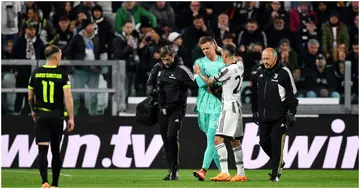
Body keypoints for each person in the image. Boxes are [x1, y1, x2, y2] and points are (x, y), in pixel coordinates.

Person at [193, 44, 247, 182]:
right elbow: (229, 55)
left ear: (224, 56)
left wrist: (199, 72)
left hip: (228, 107)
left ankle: (224, 172)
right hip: (238, 106)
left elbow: (210, 81)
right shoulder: (240, 65)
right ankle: (241, 173)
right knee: (235, 141)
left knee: (217, 139)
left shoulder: (227, 70)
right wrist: (220, 49)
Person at [146, 45, 198, 180]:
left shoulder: (182, 70)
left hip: (177, 109)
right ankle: (171, 170)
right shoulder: (157, 68)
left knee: (171, 137)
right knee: (166, 140)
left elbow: (196, 85)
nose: (166, 62)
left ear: (173, 56)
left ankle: (174, 171)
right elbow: (149, 84)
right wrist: (152, 91)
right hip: (161, 109)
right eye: (163, 59)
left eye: (168, 59)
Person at [27, 45, 75, 187]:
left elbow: (30, 97)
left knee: (42, 150)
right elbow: (68, 97)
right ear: (55, 56)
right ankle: (55, 184)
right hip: (57, 116)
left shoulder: (35, 73)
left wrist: (33, 110)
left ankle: (44, 182)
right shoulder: (62, 74)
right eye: (60, 54)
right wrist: (71, 117)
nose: (61, 57)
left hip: (41, 116)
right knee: (55, 151)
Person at [251, 48, 299, 182]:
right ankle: (279, 162)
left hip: (279, 117)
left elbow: (292, 94)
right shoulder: (259, 73)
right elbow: (255, 94)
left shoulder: (284, 73)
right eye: (263, 58)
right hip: (264, 117)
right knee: (263, 142)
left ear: (275, 59)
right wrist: (254, 110)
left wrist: (292, 112)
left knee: (276, 144)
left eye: (267, 59)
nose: (265, 61)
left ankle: (275, 174)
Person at [192, 36, 224, 181]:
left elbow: (222, 84)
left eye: (207, 48)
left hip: (218, 104)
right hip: (203, 106)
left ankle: (203, 170)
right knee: (212, 142)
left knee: (211, 141)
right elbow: (201, 83)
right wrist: (212, 81)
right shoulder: (198, 62)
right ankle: (224, 172)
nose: (205, 51)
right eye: (203, 49)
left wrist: (211, 81)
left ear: (214, 46)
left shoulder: (224, 62)